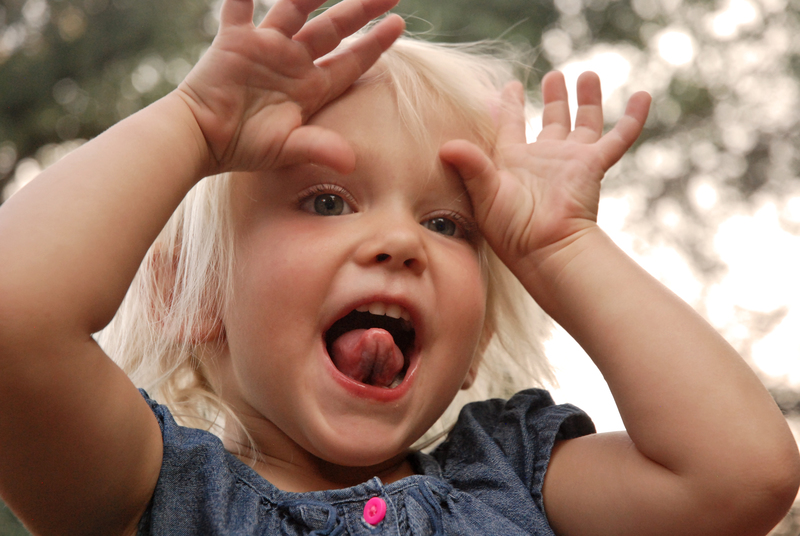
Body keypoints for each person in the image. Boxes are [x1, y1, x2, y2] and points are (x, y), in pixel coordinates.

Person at [0, 0, 798, 534]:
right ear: (188, 292)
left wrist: (562, 248)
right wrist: (195, 126)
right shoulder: (152, 489)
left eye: (447, 224)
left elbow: (742, 477)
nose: (401, 242)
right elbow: (14, 318)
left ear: (477, 344)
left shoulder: (517, 476)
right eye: (326, 201)